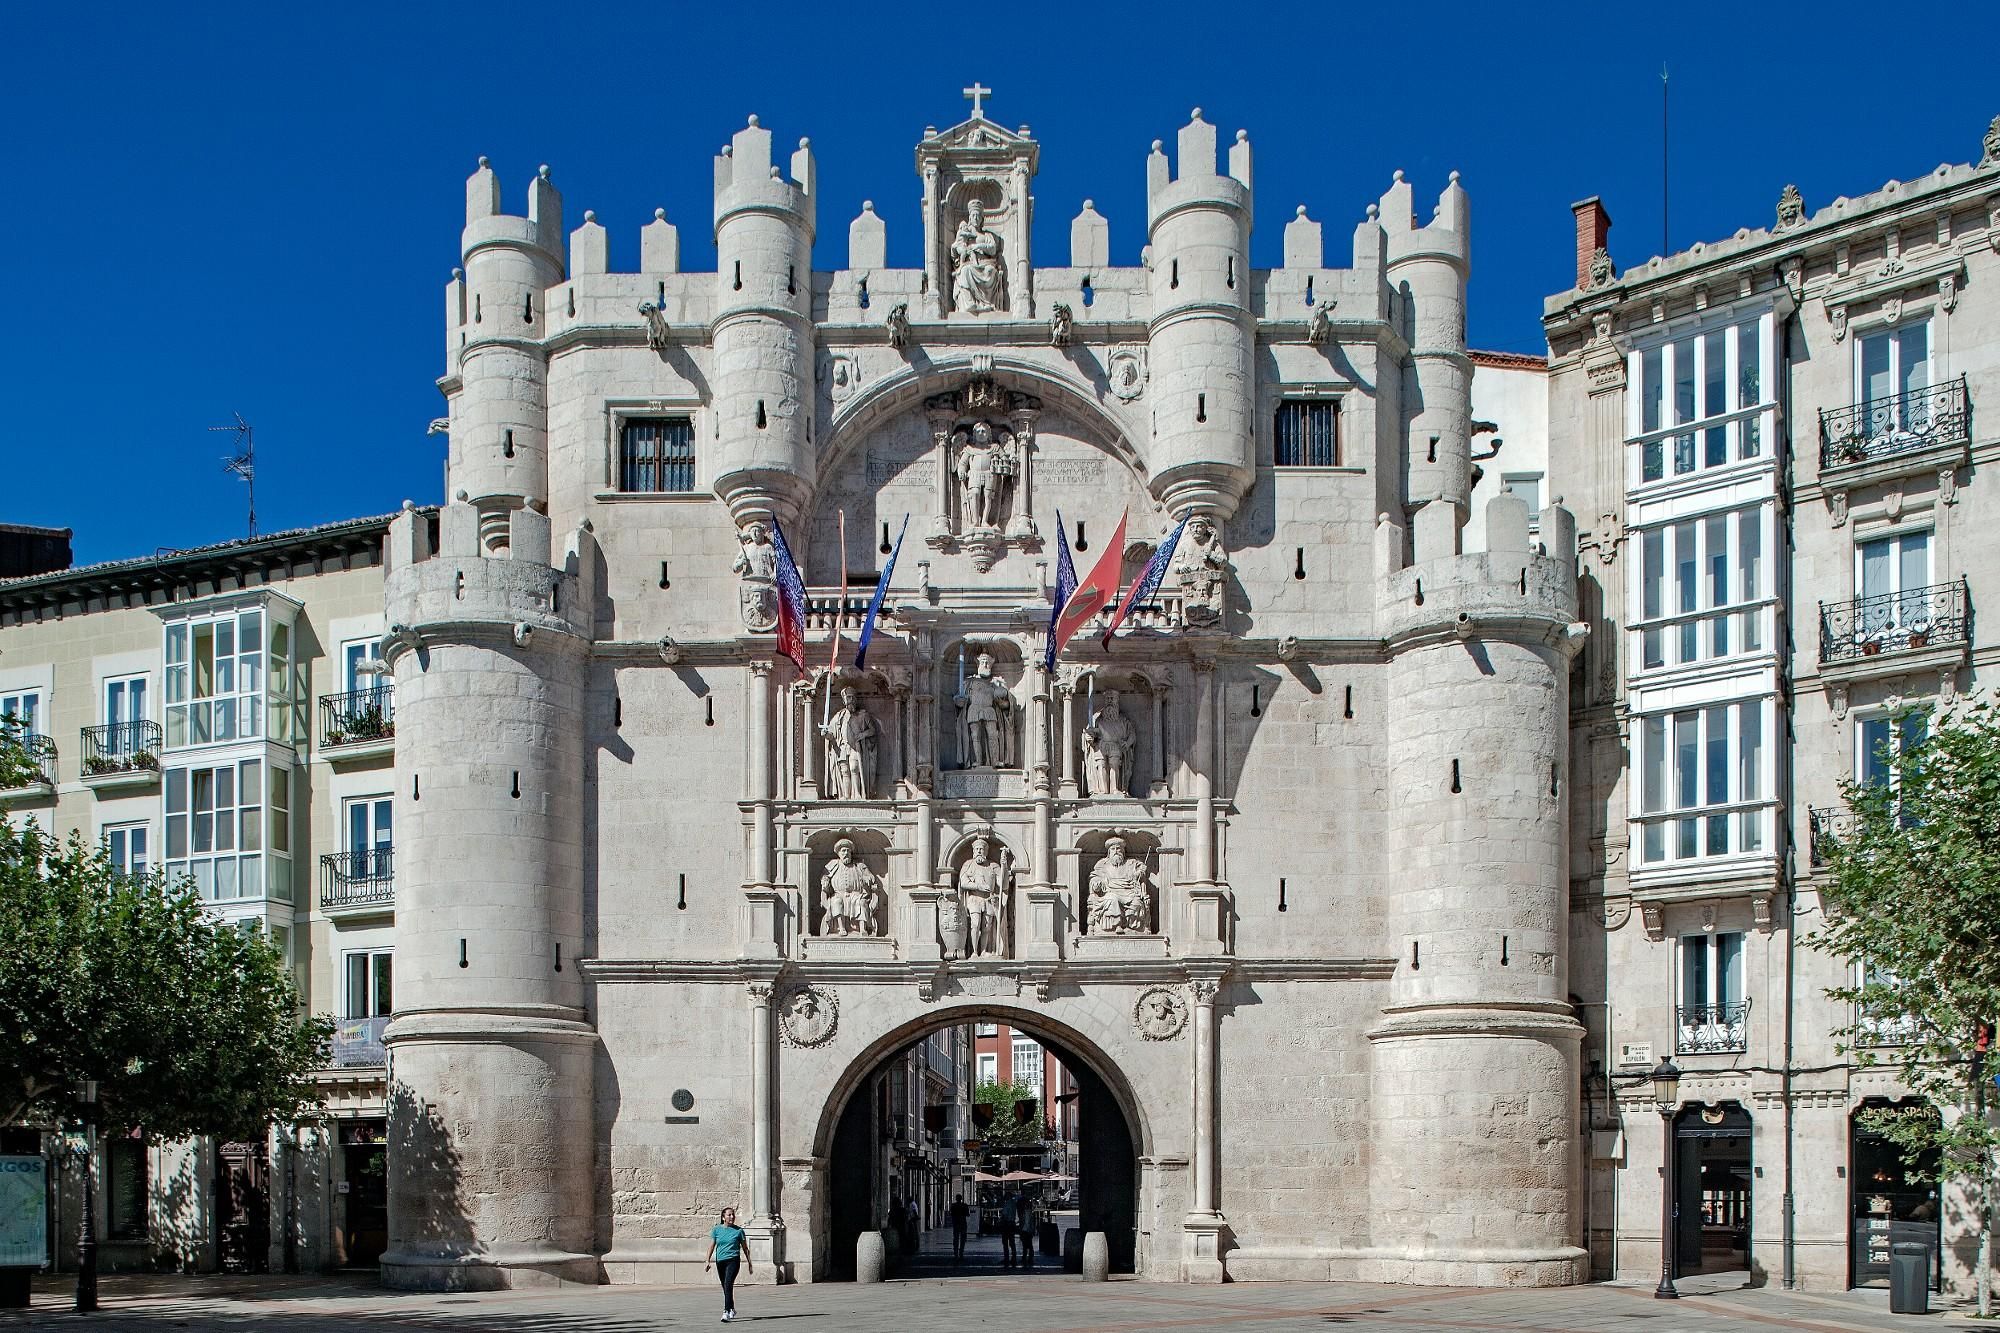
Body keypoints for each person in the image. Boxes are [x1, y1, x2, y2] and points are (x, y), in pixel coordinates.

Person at [704, 1205, 751, 1322]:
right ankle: (732, 1309)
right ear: (723, 1217)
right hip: (720, 1261)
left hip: (733, 1260)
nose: (732, 1217)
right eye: (729, 1215)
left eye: (733, 1214)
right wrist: (707, 1260)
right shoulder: (716, 1230)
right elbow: (711, 1246)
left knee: (728, 1283)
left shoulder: (739, 1231)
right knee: (725, 1287)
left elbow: (745, 1248)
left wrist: (749, 1263)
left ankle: (726, 1311)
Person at [998, 1189, 1018, 1267]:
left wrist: (1000, 1221)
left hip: (1006, 1224)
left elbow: (1004, 1214)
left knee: (1005, 1242)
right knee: (1012, 1242)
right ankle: (1014, 1258)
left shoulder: (1007, 1204)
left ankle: (1006, 1258)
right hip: (1012, 1223)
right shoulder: (1014, 1203)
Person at [950, 1192, 970, 1259]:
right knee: (963, 1239)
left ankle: (955, 1253)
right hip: (963, 1223)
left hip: (956, 1223)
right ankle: (961, 1252)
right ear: (961, 1199)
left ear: (956, 1199)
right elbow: (967, 1214)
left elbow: (951, 1214)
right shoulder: (965, 1205)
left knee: (956, 1238)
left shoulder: (953, 1205)